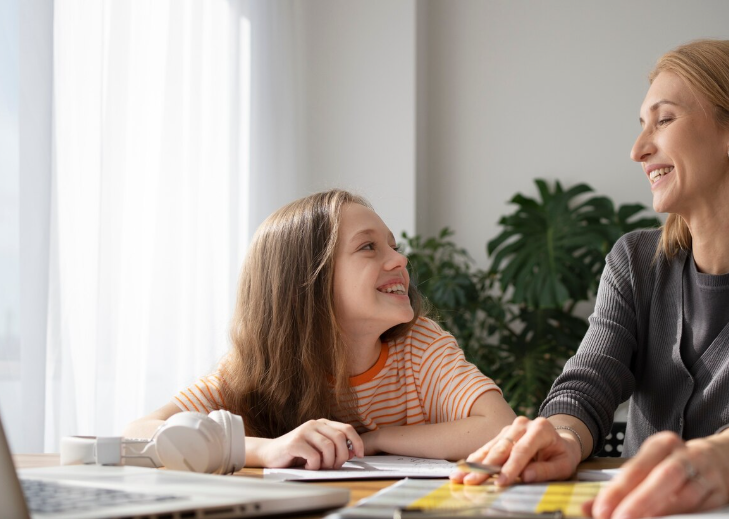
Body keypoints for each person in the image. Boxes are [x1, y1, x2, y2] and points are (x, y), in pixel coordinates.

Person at [451, 39, 729, 518]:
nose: (638, 150)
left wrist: (710, 464)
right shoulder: (635, 262)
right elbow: (588, 381)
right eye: (642, 125)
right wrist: (562, 436)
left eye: (663, 120)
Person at [126, 190, 516, 469]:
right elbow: (139, 433)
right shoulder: (253, 367)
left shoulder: (420, 346)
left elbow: (500, 428)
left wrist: (374, 440)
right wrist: (268, 450)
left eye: (393, 246)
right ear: (305, 282)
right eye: (368, 247)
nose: (400, 260)